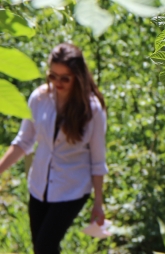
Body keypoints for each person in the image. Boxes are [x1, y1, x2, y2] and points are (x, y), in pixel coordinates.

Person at [0, 43, 107, 254]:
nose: (57, 82)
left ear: (78, 76)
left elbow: (97, 159)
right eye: (52, 76)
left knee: (44, 247)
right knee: (42, 247)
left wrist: (98, 202)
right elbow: (24, 141)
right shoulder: (39, 98)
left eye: (64, 78)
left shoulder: (92, 109)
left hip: (72, 188)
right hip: (39, 185)